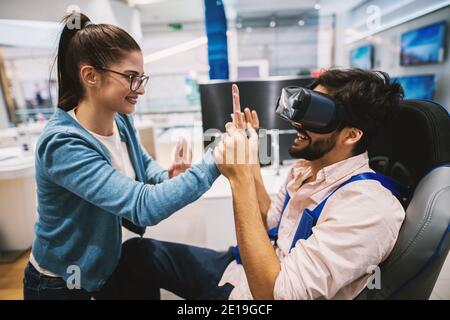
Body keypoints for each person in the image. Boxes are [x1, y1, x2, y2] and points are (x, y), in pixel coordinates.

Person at [116, 68, 406, 300]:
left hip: (258, 289)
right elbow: (272, 221)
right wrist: (251, 161)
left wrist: (240, 180)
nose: (296, 123)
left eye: (314, 115)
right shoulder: (308, 168)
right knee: (137, 254)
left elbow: (275, 295)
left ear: (351, 135)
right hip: (243, 269)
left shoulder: (366, 206)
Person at [23, 13, 221, 300]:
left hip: (104, 267)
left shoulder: (120, 120)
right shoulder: (62, 143)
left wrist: (167, 176)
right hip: (60, 284)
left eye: (141, 78)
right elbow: (143, 206)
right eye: (131, 78)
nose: (140, 88)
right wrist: (217, 160)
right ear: (90, 75)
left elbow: (141, 166)